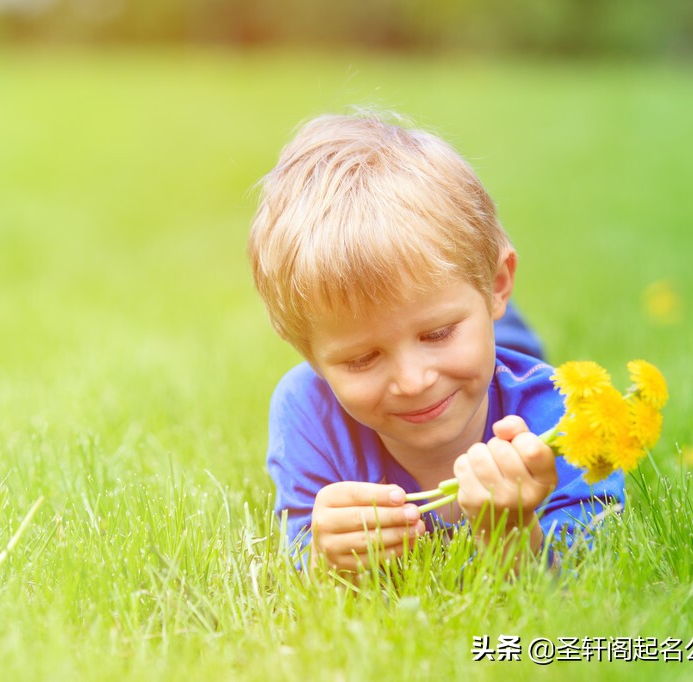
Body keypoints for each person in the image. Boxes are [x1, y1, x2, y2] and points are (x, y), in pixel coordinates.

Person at [247, 111, 623, 572]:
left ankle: (503, 335)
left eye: (437, 333)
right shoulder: (307, 411)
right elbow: (304, 564)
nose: (412, 380)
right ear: (309, 354)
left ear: (499, 284)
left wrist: (512, 536)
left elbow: (583, 591)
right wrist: (326, 562)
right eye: (363, 358)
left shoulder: (568, 426)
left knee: (507, 349)